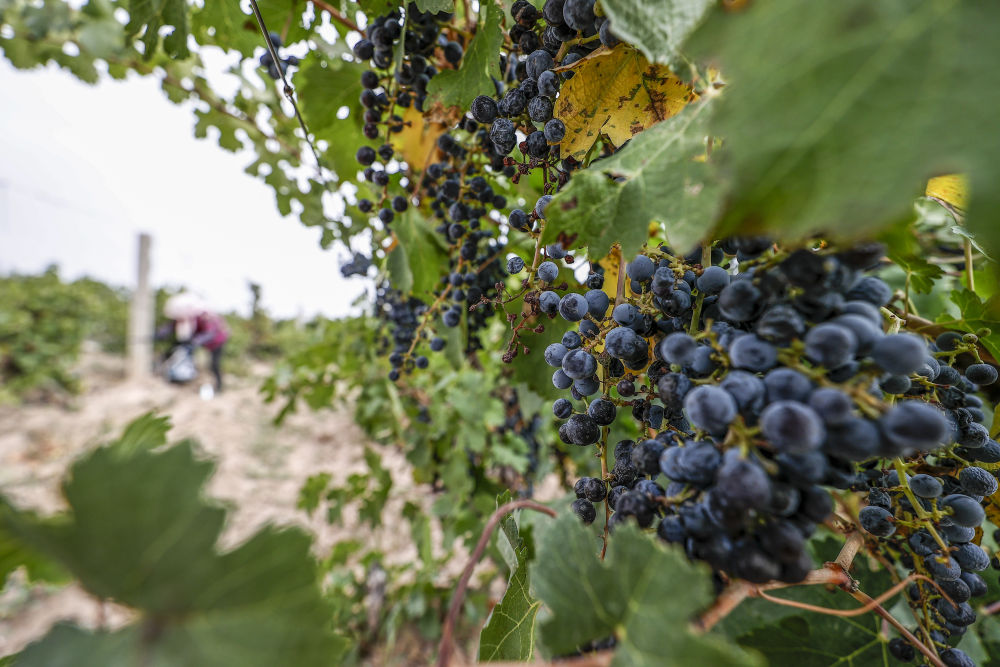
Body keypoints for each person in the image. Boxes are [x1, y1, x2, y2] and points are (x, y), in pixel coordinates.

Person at [158, 293, 230, 391]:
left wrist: (195, 341)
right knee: (178, 351)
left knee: (214, 365)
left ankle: (218, 387)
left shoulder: (203, 316)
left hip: (217, 342)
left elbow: (210, 333)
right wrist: (159, 334)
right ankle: (182, 378)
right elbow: (171, 326)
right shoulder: (186, 317)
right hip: (202, 342)